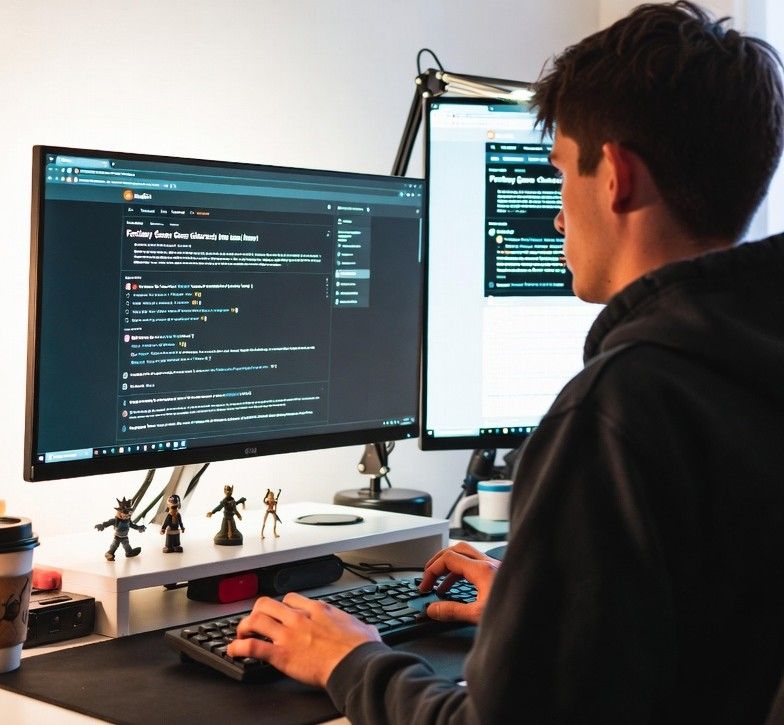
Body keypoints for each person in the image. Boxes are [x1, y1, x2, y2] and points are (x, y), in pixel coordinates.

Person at [229, 3, 784, 721]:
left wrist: (350, 659)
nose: (558, 213)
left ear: (613, 174)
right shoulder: (751, 368)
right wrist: (547, 609)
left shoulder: (619, 408)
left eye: (558, 174)